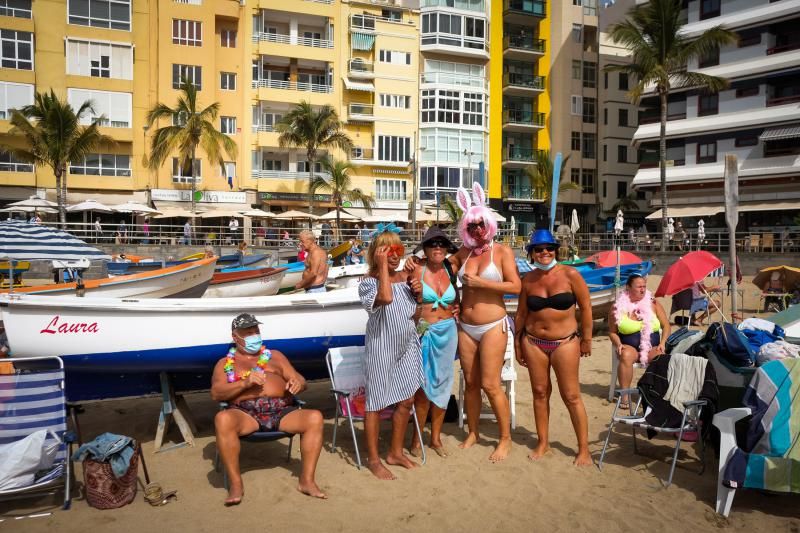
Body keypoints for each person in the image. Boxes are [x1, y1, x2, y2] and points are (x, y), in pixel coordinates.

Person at [408, 183, 520, 461]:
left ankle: (505, 439)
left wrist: (481, 282)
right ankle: (473, 432)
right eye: (471, 227)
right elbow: (440, 264)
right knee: (470, 382)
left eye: (481, 224)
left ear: (489, 224)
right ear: (465, 229)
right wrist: (413, 261)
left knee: (491, 384)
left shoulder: (502, 252)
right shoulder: (464, 254)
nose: (477, 230)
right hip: (465, 327)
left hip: (493, 324)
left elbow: (517, 287)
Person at [211, 313, 326, 504]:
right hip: (245, 413)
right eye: (248, 333)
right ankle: (236, 484)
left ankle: (307, 481)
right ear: (235, 337)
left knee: (315, 417)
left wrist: (298, 383)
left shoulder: (276, 356)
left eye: (256, 331)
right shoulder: (225, 363)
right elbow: (216, 393)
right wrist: (245, 383)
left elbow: (300, 379)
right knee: (222, 419)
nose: (254, 335)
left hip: (280, 410)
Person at [514, 229, 593, 466]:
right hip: (533, 342)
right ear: (532, 254)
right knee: (539, 393)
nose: (545, 252)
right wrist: (518, 342)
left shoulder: (571, 275)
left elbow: (586, 307)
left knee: (571, 396)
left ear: (556, 250)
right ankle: (543, 443)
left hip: (565, 342)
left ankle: (584, 449)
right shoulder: (528, 280)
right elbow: (521, 313)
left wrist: (587, 338)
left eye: (549, 248)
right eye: (539, 249)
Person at [358, 226, 424, 479]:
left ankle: (395, 452)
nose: (395, 255)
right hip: (381, 348)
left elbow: (415, 318)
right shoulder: (367, 283)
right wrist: (383, 267)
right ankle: (373, 459)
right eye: (388, 250)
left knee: (407, 399)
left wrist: (418, 298)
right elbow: (385, 299)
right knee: (374, 403)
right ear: (376, 253)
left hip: (406, 346)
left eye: (398, 249)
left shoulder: (405, 280)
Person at [408, 226, 459, 459]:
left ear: (447, 248)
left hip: (448, 331)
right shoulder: (415, 268)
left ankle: (436, 438)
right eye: (432, 244)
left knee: (443, 385)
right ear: (425, 249)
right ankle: (416, 439)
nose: (437, 247)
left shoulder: (452, 267)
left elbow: (476, 247)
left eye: (441, 244)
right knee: (423, 389)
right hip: (424, 331)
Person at [608, 274, 670, 407]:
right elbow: (612, 332)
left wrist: (663, 342)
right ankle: (625, 395)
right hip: (629, 346)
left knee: (661, 357)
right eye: (639, 287)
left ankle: (655, 393)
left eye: (644, 286)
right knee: (625, 354)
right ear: (628, 287)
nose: (642, 289)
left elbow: (666, 325)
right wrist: (618, 344)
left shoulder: (653, 303)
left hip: (651, 346)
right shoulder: (617, 307)